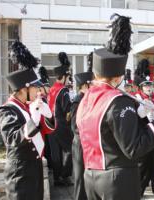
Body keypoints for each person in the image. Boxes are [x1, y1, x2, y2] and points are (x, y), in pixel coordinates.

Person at [76, 13, 154, 200]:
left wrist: (138, 114)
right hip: (116, 179)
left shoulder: (87, 98)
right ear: (118, 77)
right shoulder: (117, 101)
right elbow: (135, 148)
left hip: (91, 176)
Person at [0, 40, 51, 200]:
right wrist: (33, 118)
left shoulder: (27, 105)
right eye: (34, 88)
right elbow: (12, 138)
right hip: (20, 172)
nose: (38, 91)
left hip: (34, 167)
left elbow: (44, 131)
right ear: (23, 89)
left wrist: (47, 114)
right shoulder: (7, 110)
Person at [47, 52, 73, 186]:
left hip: (50, 124)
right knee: (70, 149)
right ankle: (65, 175)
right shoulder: (64, 90)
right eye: (68, 77)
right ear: (64, 77)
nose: (69, 80)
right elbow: (67, 111)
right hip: (61, 124)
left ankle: (57, 178)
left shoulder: (52, 89)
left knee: (56, 154)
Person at [71, 52, 94, 200]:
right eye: (91, 84)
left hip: (88, 143)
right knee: (80, 178)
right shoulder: (77, 101)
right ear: (85, 85)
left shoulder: (87, 99)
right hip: (80, 144)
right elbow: (74, 126)